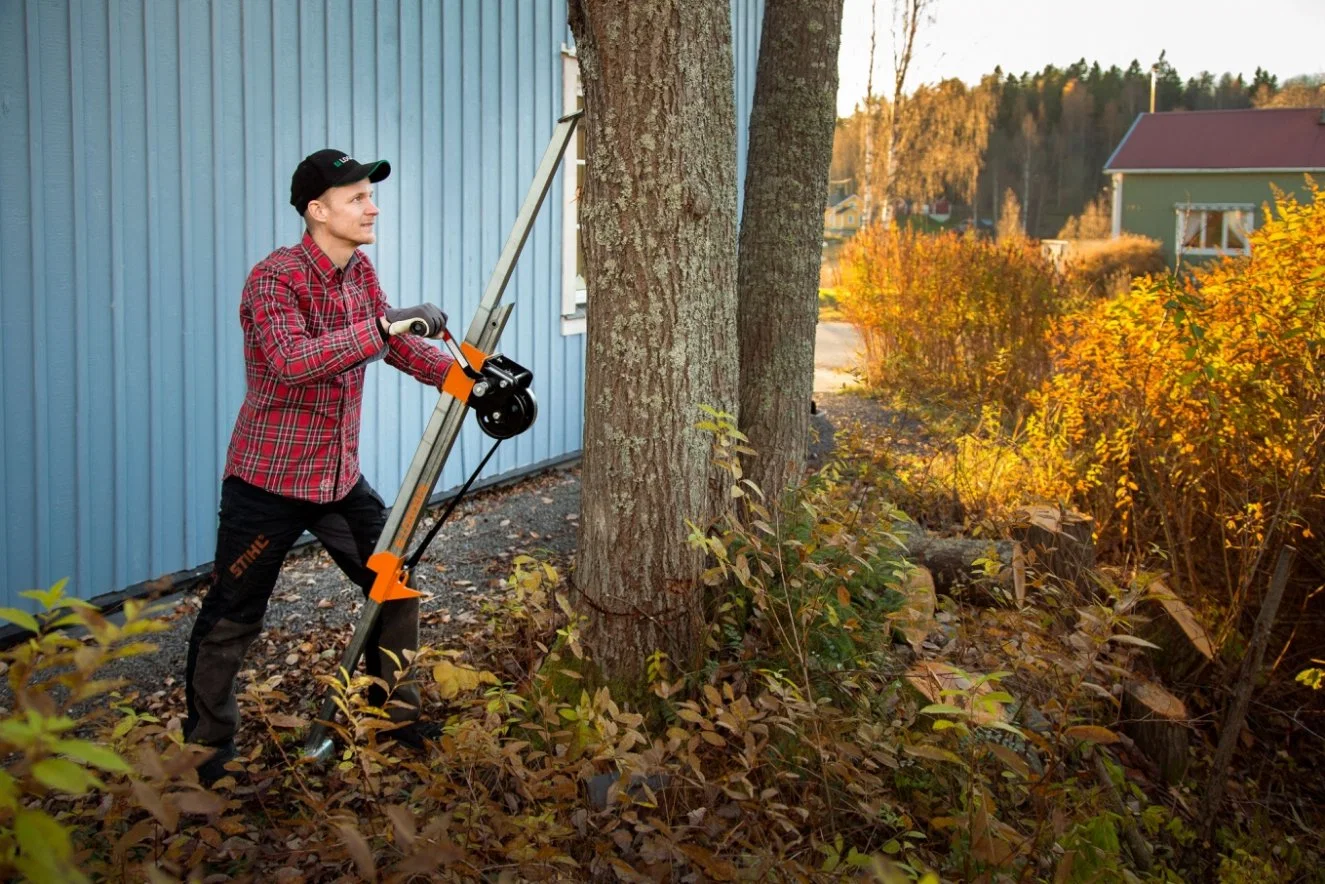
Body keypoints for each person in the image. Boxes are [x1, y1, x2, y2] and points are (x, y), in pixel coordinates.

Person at [184, 149, 453, 784]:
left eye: (370, 195)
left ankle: (394, 717)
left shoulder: (359, 272)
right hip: (266, 484)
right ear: (317, 209)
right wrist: (385, 328)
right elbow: (293, 361)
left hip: (337, 480)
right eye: (358, 197)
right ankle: (203, 758)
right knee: (231, 619)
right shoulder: (273, 278)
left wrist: (465, 377)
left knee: (395, 587)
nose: (372, 206)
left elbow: (398, 345)